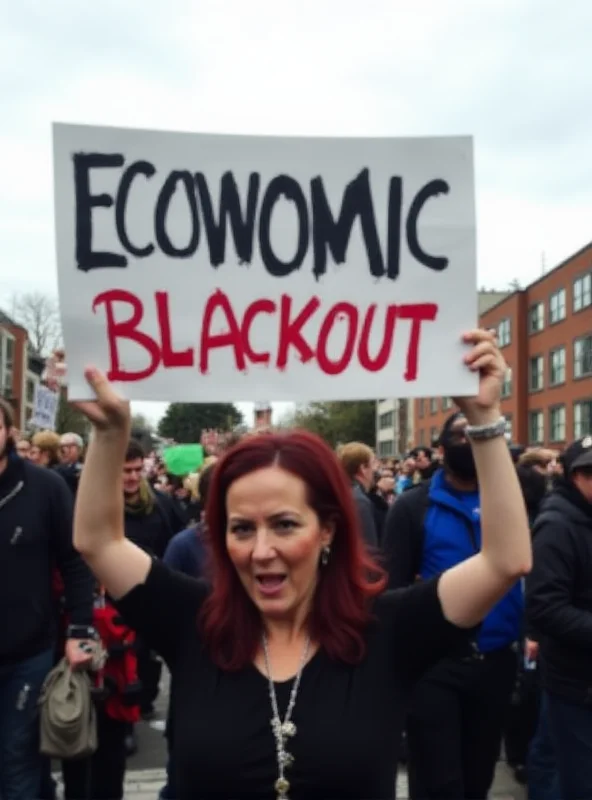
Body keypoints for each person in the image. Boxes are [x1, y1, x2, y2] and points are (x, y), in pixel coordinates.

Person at [71, 329, 531, 800]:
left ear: (327, 528)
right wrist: (108, 433)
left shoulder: (390, 630)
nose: (261, 550)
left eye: (286, 525)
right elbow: (99, 541)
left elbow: (505, 561)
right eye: (242, 528)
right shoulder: (193, 620)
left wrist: (485, 419)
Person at [383, 410, 525, 799]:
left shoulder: (508, 504)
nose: (472, 443)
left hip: (496, 662)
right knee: (438, 782)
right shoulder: (411, 508)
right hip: (435, 670)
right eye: (462, 436)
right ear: (442, 449)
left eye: (479, 436)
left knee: (478, 776)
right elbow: (391, 592)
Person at [0, 399, 95, 800]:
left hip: (27, 651)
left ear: (9, 432)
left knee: (16, 757)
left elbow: (75, 562)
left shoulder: (45, 487)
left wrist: (80, 630)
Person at [526, 435, 592, 800]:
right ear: (574, 476)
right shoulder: (558, 525)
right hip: (576, 682)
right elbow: (545, 606)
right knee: (576, 780)